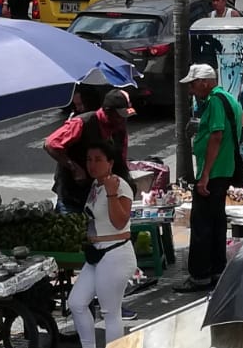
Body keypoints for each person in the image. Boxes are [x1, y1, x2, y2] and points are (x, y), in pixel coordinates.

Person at [177, 64, 243, 293]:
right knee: (216, 222)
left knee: (202, 224)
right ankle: (217, 270)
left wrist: (204, 175)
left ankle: (200, 275)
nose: (191, 90)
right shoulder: (227, 98)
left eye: (193, 85)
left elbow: (216, 136)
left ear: (205, 82)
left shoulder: (215, 101)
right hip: (223, 170)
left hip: (213, 172)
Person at [68, 142, 136, 347]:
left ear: (110, 163)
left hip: (115, 254)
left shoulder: (119, 185)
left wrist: (112, 193)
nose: (92, 164)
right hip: (96, 253)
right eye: (89, 159)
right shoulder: (95, 185)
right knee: (76, 302)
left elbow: (119, 222)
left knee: (110, 312)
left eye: (98, 159)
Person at [44, 90, 131, 214]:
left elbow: (121, 160)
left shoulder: (119, 129)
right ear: (107, 112)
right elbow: (50, 144)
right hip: (72, 194)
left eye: (124, 117)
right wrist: (74, 167)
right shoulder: (82, 123)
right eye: (118, 116)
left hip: (97, 194)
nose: (122, 120)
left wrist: (126, 185)